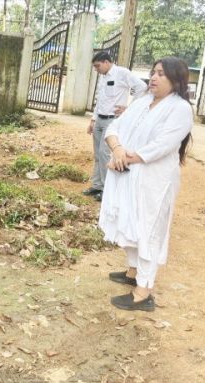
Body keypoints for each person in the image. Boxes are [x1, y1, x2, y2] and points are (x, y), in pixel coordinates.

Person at [99, 57, 193, 312]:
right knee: (128, 222)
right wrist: (118, 150)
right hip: (128, 174)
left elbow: (162, 146)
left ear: (176, 79)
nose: (153, 77)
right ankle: (132, 271)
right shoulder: (142, 103)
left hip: (154, 182)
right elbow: (113, 128)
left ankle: (143, 292)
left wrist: (124, 159)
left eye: (161, 74)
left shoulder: (180, 109)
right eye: (153, 72)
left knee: (148, 228)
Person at [84, 51, 147, 201]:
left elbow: (142, 87)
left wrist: (130, 109)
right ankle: (97, 185)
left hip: (113, 121)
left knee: (105, 153)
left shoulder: (122, 73)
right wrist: (93, 120)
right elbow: (100, 100)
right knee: (98, 155)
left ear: (106, 62)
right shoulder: (103, 77)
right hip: (100, 119)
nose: (96, 69)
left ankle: (107, 190)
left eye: (98, 66)